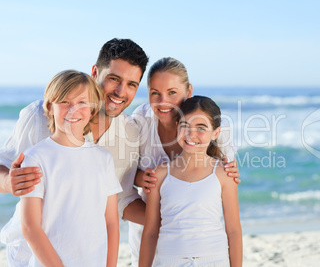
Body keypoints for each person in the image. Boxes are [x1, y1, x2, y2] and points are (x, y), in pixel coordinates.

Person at [0, 38, 149, 265]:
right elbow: (5, 167)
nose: (121, 92)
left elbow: (120, 201)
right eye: (114, 79)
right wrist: (9, 182)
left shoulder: (130, 132)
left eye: (132, 84)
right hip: (28, 256)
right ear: (95, 72)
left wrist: (175, 218)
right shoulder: (40, 116)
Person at [2, 70, 122, 267]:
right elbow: (30, 227)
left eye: (82, 102)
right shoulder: (36, 158)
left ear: (92, 109)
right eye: (65, 101)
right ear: (50, 107)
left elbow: (111, 221)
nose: (74, 109)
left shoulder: (103, 158)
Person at [130, 57, 240, 265]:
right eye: (155, 93)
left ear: (188, 91)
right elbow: (122, 170)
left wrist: (230, 170)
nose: (164, 101)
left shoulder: (219, 129)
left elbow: (222, 181)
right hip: (157, 243)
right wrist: (139, 176)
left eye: (172, 92)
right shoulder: (142, 121)